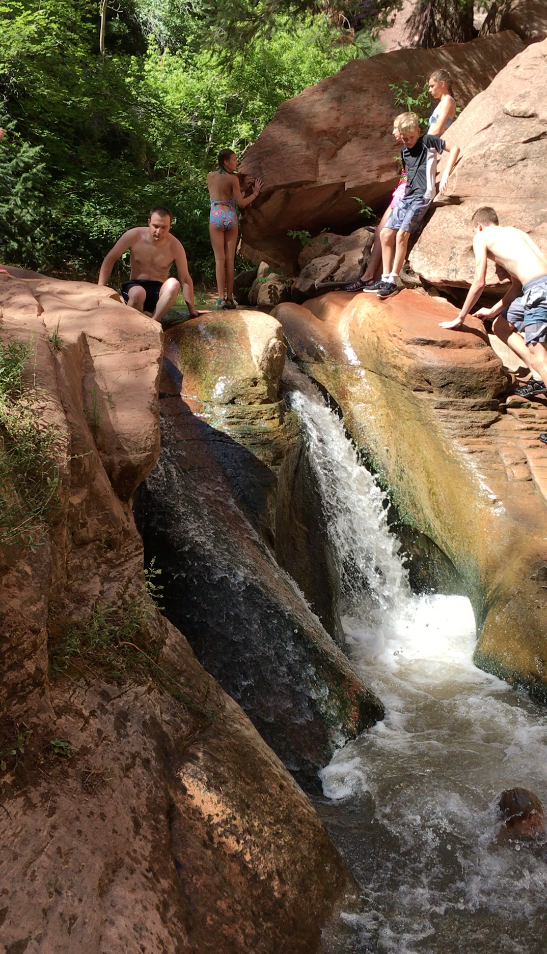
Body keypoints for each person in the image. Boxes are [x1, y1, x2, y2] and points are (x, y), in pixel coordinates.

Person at [438, 208, 547, 426]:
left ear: (478, 226)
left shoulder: (481, 236)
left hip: (538, 292)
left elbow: (479, 282)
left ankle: (539, 369)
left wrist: (460, 318)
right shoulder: (517, 233)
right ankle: (538, 377)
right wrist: (492, 311)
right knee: (501, 325)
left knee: (540, 357)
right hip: (536, 287)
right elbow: (517, 287)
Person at [364, 112, 460, 300]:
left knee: (402, 234)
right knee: (384, 233)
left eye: (411, 137)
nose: (407, 141)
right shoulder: (404, 151)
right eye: (404, 138)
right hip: (408, 196)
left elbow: (455, 148)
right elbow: (407, 174)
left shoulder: (429, 141)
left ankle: (392, 280)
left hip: (422, 196)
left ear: (418, 131)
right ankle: (384, 277)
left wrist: (446, 173)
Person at [98, 206, 204, 324]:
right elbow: (110, 258)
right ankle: (129, 325)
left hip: (159, 292)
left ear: (170, 226)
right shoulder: (134, 235)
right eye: (156, 226)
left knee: (174, 283)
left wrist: (192, 309)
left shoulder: (175, 246)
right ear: (149, 222)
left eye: (164, 227)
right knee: (139, 293)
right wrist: (100, 289)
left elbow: (185, 278)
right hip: (135, 287)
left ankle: (152, 324)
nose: (159, 232)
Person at [207, 149, 263, 310]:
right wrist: (255, 192)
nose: (236, 162)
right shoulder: (233, 179)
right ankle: (230, 298)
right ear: (226, 162)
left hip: (216, 215)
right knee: (230, 259)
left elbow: (222, 194)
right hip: (230, 217)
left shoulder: (210, 176)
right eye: (233, 160)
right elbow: (241, 203)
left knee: (219, 259)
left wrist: (242, 185)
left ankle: (220, 299)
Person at [427, 69, 456, 136]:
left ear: (442, 84)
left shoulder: (447, 100)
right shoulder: (443, 101)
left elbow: (437, 130)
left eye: (432, 86)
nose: (429, 90)